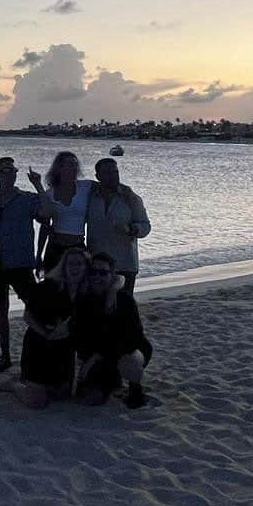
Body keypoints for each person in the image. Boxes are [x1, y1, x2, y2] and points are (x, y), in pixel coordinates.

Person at [0, 156, 42, 374]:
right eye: (5, 170)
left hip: (21, 263)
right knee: (1, 311)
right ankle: (5, 355)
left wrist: (38, 185)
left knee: (35, 308)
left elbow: (47, 214)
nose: (10, 173)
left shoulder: (27, 199)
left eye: (12, 170)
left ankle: (37, 350)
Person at [73, 251, 152, 409]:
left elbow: (132, 339)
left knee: (129, 362)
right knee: (90, 399)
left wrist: (96, 357)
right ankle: (112, 379)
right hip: (101, 354)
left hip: (127, 351)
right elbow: (81, 338)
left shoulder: (124, 300)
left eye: (103, 273)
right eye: (93, 272)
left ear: (112, 275)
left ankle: (135, 389)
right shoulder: (83, 301)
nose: (97, 277)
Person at [15, 247, 89, 409]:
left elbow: (118, 280)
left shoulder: (87, 294)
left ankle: (32, 384)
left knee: (63, 395)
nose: (74, 268)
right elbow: (28, 316)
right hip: (39, 345)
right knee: (38, 401)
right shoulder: (48, 287)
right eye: (70, 264)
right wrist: (47, 334)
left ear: (86, 267)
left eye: (79, 264)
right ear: (63, 267)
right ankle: (14, 386)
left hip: (64, 350)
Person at [86, 158, 151, 295]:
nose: (113, 176)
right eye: (107, 172)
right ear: (98, 176)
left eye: (115, 172)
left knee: (123, 308)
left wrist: (133, 229)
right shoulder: (90, 197)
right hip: (97, 264)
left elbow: (146, 226)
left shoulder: (131, 198)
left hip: (124, 263)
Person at [27, 151, 93, 272]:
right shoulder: (50, 194)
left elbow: (109, 186)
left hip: (77, 247)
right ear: (59, 169)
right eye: (67, 165)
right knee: (53, 288)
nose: (72, 168)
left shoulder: (86, 187)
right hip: (55, 247)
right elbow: (45, 226)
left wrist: (129, 194)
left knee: (78, 288)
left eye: (74, 165)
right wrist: (39, 255)